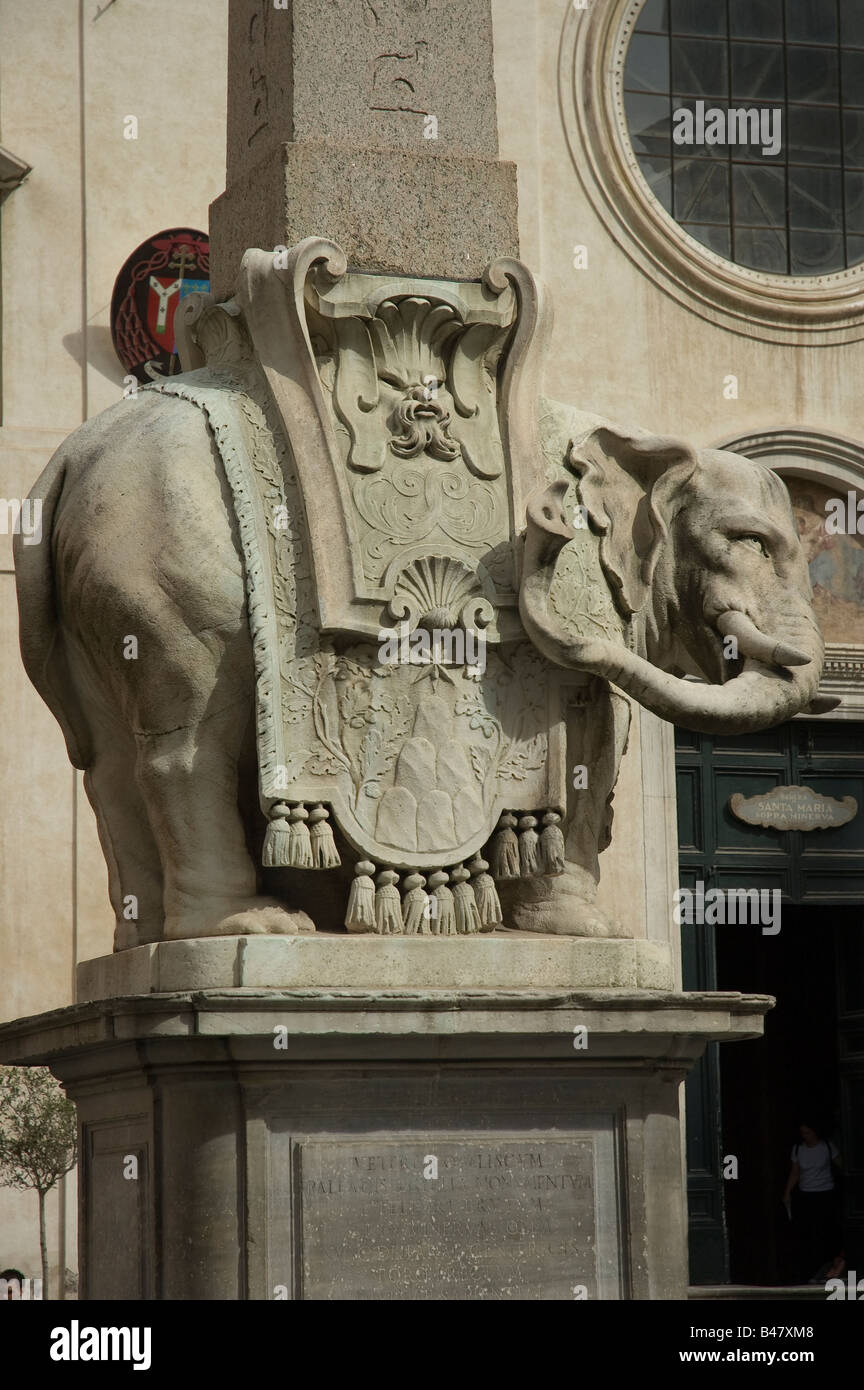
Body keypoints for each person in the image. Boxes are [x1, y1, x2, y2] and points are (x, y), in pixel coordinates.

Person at [782, 1119, 844, 1283]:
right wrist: (787, 1192)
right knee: (808, 1234)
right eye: (803, 1133)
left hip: (825, 1194)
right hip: (806, 1196)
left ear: (815, 1132)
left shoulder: (827, 1146)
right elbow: (795, 1172)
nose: (805, 1136)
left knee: (826, 1232)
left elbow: (842, 1165)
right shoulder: (798, 1149)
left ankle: (829, 1268)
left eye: (808, 1132)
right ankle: (811, 1271)